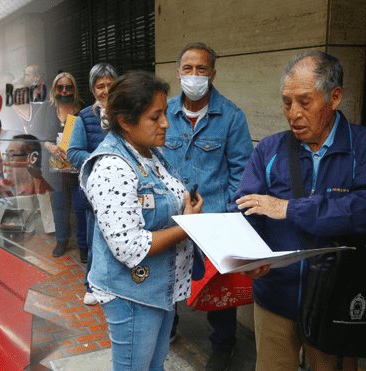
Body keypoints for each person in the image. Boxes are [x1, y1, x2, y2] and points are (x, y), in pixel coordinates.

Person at [231, 51, 366, 371]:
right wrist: (249, 257)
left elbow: (361, 210)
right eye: (286, 102)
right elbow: (244, 208)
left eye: (304, 101)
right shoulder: (269, 149)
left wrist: (291, 209)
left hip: (338, 299)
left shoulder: (361, 146)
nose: (293, 113)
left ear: (335, 97)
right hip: (276, 295)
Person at [79, 70, 203, 371]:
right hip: (131, 294)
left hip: (158, 288)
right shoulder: (112, 167)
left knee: (154, 366)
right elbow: (130, 247)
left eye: (165, 114)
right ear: (125, 121)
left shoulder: (150, 154)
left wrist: (186, 204)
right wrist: (186, 226)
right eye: (155, 117)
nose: (165, 123)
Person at [161, 42, 254, 370]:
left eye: (202, 69)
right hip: (171, 216)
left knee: (218, 284)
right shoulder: (164, 113)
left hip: (214, 217)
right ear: (178, 72)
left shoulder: (231, 116)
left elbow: (241, 173)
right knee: (169, 276)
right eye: (188, 68)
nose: (195, 75)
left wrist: (226, 218)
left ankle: (224, 343)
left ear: (212, 73)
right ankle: (167, 329)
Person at [67, 62, 119, 305]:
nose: (106, 90)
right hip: (94, 193)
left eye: (110, 84)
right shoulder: (84, 117)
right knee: (94, 240)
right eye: (100, 86)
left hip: (121, 191)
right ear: (93, 89)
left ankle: (114, 285)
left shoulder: (126, 113)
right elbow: (73, 152)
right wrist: (100, 160)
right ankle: (91, 285)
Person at [42, 72, 84, 258]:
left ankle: (84, 245)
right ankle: (61, 241)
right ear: (54, 89)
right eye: (60, 87)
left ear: (74, 89)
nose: (64, 90)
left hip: (78, 169)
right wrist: (50, 146)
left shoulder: (82, 109)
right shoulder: (47, 109)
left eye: (68, 87)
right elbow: (37, 135)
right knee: (59, 206)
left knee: (81, 206)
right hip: (55, 170)